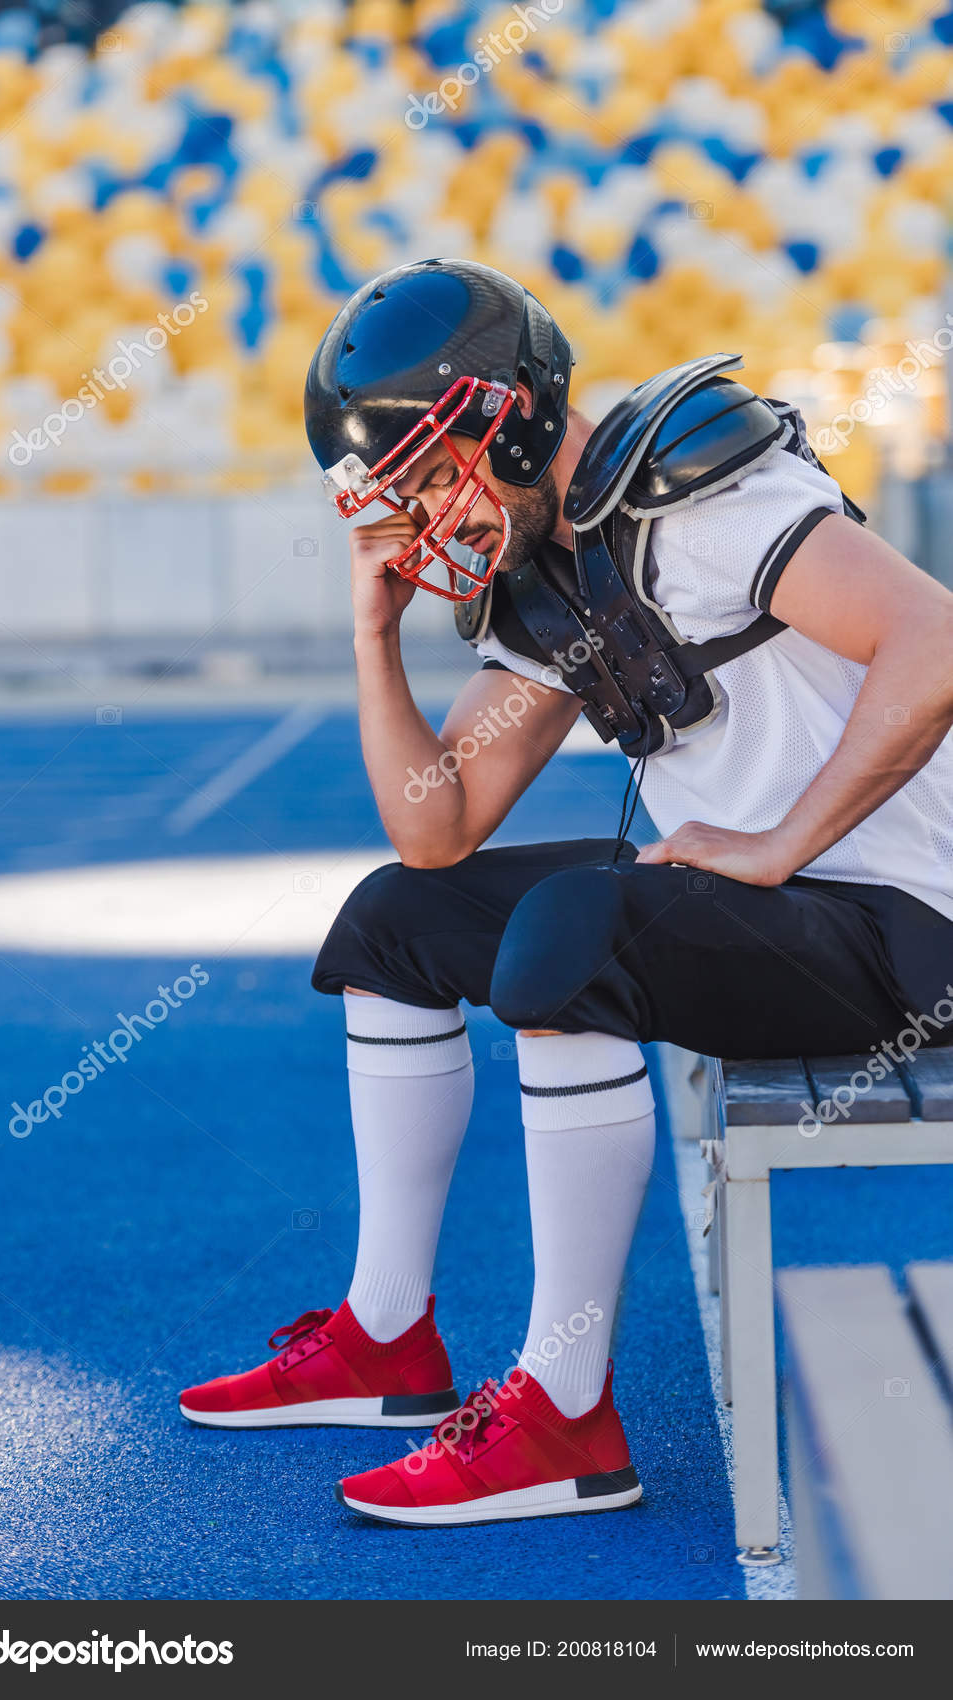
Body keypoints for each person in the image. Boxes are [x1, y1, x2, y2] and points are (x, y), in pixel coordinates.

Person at [179, 258, 953, 1528]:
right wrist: (373, 642)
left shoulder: (700, 503)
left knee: (571, 934)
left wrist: (778, 841)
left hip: (909, 924)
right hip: (783, 911)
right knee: (392, 920)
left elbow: (935, 637)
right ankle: (388, 1336)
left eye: (433, 474)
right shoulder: (556, 569)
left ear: (514, 416)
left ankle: (564, 1411)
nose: (425, 516)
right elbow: (439, 827)